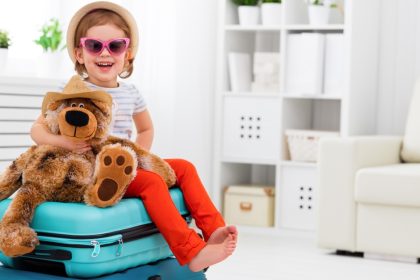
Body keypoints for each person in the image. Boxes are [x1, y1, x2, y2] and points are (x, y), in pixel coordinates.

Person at [30, 1, 237, 272]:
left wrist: (137, 157)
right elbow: (37, 130)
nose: (105, 53)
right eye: (94, 46)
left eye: (115, 46)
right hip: (92, 171)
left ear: (127, 54)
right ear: (80, 53)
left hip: (124, 164)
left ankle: (214, 231)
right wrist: (64, 142)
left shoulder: (131, 93)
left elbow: (146, 128)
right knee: (151, 183)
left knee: (185, 168)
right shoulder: (71, 91)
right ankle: (191, 251)